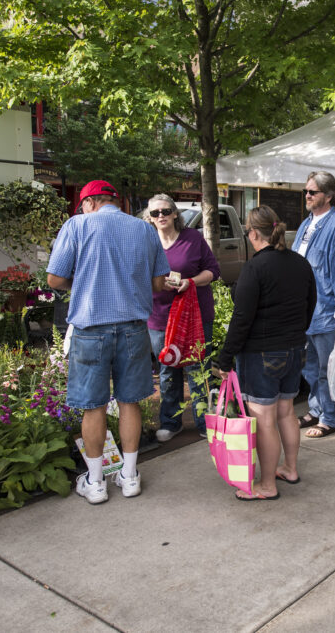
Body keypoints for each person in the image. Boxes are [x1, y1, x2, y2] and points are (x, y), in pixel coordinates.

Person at [47, 180, 169, 503]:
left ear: (89, 203)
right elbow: (159, 283)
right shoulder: (144, 230)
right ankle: (129, 477)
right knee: (130, 402)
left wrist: (85, 278)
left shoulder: (77, 226)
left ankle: (96, 482)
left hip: (91, 331)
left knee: (93, 406)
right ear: (115, 202)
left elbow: (54, 278)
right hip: (133, 329)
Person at [217, 206, 317, 501]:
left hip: (261, 354)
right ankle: (290, 468)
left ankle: (267, 485)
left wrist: (224, 358)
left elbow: (242, 319)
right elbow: (310, 305)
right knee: (287, 412)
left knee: (264, 419)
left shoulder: (255, 267)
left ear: (253, 233)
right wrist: (295, 336)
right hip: (295, 349)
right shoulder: (300, 263)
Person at [145, 194, 221, 442]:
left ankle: (204, 421)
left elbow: (213, 271)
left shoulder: (192, 238)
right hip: (160, 317)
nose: (161, 216)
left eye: (165, 211)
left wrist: (190, 282)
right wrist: (157, 283)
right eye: (155, 213)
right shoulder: (147, 241)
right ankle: (171, 421)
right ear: (150, 217)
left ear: (175, 213)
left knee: (198, 368)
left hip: (195, 314)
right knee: (167, 371)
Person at [294, 171, 335, 438]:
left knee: (327, 368)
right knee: (309, 367)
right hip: (305, 311)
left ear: (328, 196)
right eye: (306, 191)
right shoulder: (306, 224)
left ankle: (331, 418)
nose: (307, 196)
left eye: (313, 192)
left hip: (327, 312)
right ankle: (316, 409)